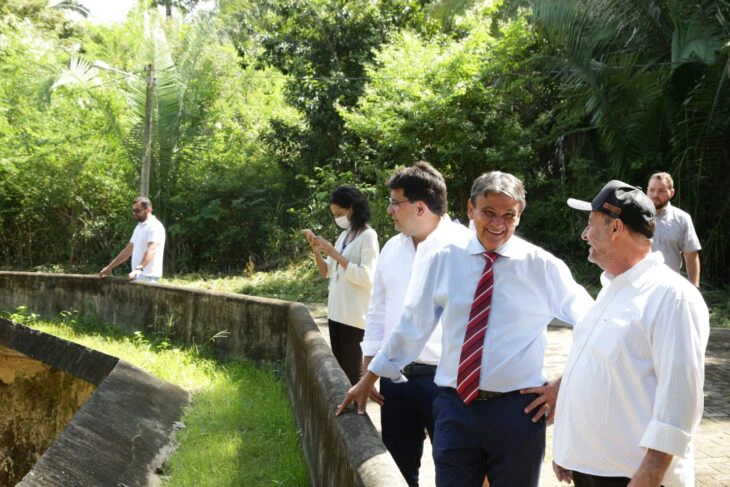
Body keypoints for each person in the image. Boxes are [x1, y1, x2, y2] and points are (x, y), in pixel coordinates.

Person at [338, 171, 593, 487]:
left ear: (519, 215)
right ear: (471, 209)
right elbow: (413, 326)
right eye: (488, 213)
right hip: (455, 407)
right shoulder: (446, 259)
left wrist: (563, 385)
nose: (497, 224)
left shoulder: (540, 266)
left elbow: (594, 322)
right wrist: (370, 377)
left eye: (508, 215)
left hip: (518, 412)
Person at [553, 180, 709, 486]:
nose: (585, 234)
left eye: (590, 224)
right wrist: (570, 448)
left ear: (615, 229)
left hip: (634, 477)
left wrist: (650, 473)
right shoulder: (612, 288)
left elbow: (681, 397)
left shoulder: (672, 296)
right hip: (594, 470)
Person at [360, 161, 471, 486]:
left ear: (420, 207)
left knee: (457, 471)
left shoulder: (466, 248)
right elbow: (378, 309)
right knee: (396, 468)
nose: (390, 209)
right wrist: (369, 369)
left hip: (449, 382)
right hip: (397, 380)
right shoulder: (392, 249)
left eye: (396, 202)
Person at [303, 186, 379, 385]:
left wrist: (335, 254)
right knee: (340, 373)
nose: (337, 218)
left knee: (353, 375)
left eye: (339, 213)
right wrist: (318, 251)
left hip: (354, 317)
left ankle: (357, 413)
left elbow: (366, 277)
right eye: (334, 215)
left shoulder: (368, 236)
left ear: (352, 208)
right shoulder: (344, 236)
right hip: (336, 314)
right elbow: (327, 271)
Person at [646, 172, 701, 286]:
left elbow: (691, 255)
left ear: (671, 192)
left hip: (671, 288)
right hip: (640, 286)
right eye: (651, 190)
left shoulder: (682, 219)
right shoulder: (634, 217)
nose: (655, 194)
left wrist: (694, 287)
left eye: (661, 191)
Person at [99, 196, 166, 283]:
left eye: (137, 211)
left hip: (149, 276)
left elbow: (152, 250)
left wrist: (139, 269)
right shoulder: (139, 226)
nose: (134, 213)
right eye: (133, 210)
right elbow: (128, 250)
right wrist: (110, 267)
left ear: (148, 210)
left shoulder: (155, 226)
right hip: (138, 275)